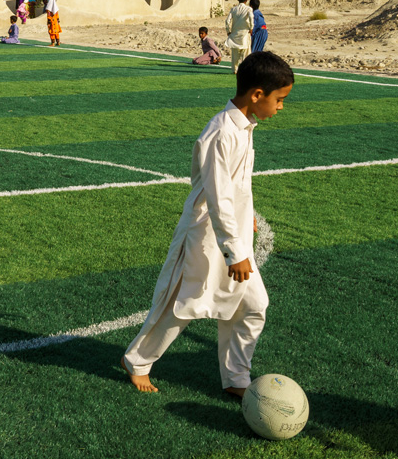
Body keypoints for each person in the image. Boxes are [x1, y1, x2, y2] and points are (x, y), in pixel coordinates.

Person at [121, 52, 294, 398]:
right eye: (280, 99)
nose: (281, 107)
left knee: (253, 305)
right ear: (257, 95)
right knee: (184, 303)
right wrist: (234, 250)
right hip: (205, 235)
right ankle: (138, 360)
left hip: (234, 233)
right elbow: (216, 196)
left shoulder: (244, 127)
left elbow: (237, 187)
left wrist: (248, 223)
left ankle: (236, 378)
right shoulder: (222, 132)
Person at [224, 0, 255, 72]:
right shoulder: (249, 9)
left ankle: (235, 70)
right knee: (245, 53)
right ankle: (245, 71)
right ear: (247, 0)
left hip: (234, 34)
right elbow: (251, 18)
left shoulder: (233, 9)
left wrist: (228, 31)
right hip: (245, 34)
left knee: (235, 55)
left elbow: (227, 21)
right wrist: (251, 28)